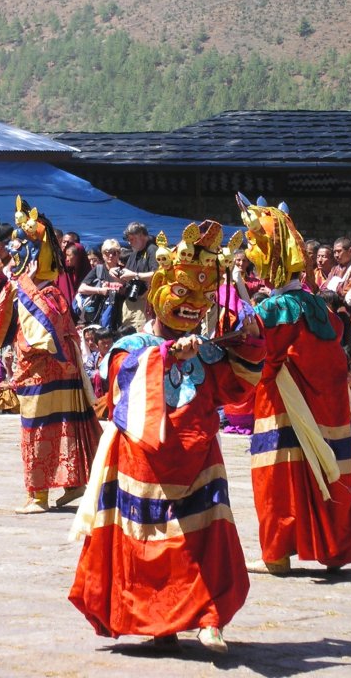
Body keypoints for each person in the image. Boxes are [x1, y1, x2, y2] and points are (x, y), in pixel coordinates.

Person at [69, 218, 264, 655]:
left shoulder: (208, 348)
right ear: (158, 294)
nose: (193, 305)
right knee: (151, 543)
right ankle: (161, 621)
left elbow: (239, 385)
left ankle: (210, 618)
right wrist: (162, 355)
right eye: (182, 294)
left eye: (202, 296)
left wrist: (251, 342)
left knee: (206, 538)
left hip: (200, 458)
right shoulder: (129, 346)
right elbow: (120, 388)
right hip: (146, 459)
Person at [236, 195, 351, 575]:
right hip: (327, 405)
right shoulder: (319, 307)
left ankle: (276, 553)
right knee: (326, 469)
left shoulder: (275, 309)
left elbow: (258, 349)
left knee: (277, 476)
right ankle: (334, 548)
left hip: (285, 402)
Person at [0, 196, 101, 513]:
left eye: (16, 253)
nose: (10, 258)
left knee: (40, 429)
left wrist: (16, 376)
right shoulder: (47, 290)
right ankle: (73, 485)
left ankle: (39, 496)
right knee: (65, 425)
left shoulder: (37, 293)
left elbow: (36, 338)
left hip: (42, 371)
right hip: (63, 369)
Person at [109, 221, 156, 330]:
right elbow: (125, 281)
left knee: (139, 337)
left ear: (141, 235)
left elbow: (159, 274)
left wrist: (136, 275)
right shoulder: (134, 253)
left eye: (132, 239)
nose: (130, 243)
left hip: (144, 303)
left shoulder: (152, 250)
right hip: (129, 301)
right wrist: (116, 274)